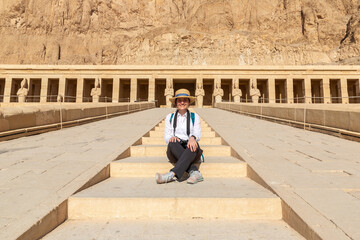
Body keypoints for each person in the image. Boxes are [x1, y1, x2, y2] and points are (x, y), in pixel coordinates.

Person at [155, 89, 203, 184]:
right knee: (172, 142)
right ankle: (194, 172)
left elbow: (198, 134)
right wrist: (171, 138)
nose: (182, 102)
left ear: (189, 102)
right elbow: (167, 136)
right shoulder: (170, 117)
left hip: (191, 150)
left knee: (193, 143)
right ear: (176, 103)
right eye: (179, 100)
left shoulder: (195, 116)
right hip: (175, 150)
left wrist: (193, 138)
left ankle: (172, 174)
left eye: (185, 100)